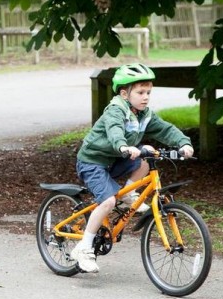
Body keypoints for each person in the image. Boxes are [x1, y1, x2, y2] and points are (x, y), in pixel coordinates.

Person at [71, 63, 194, 273]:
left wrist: (184, 143)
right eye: (140, 92)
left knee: (146, 160)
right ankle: (84, 247)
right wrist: (124, 146)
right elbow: (115, 131)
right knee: (108, 200)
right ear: (124, 93)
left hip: (115, 158)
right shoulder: (115, 110)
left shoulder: (144, 114)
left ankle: (129, 195)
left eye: (148, 92)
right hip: (93, 161)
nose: (145, 96)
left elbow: (165, 129)